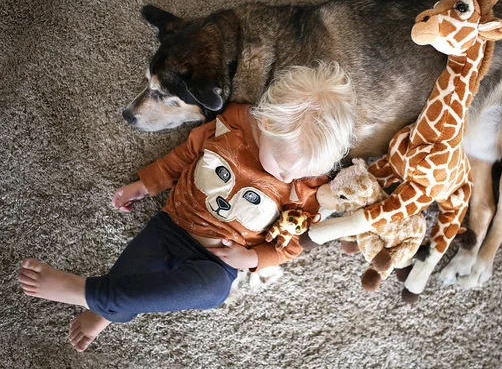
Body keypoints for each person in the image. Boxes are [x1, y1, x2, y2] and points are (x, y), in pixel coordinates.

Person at [17, 62, 356, 352]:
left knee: (211, 292)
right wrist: (146, 184)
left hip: (217, 261)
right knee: (132, 275)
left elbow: (291, 245)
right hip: (172, 226)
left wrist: (252, 258)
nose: (291, 176)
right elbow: (186, 155)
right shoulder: (233, 125)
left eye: (305, 171)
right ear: (264, 125)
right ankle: (103, 305)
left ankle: (90, 295)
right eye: (284, 168)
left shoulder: (307, 188)